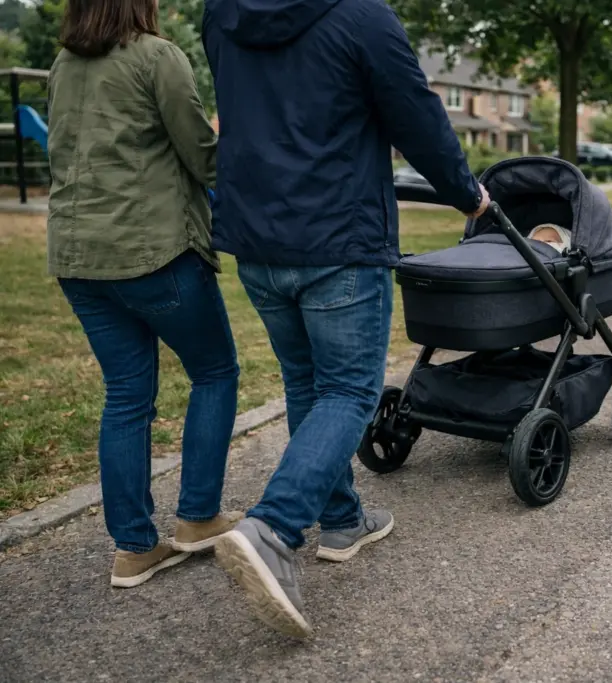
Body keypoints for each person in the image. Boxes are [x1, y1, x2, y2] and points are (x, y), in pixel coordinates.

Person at [203, 0, 489, 637]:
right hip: (338, 236)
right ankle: (274, 528)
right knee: (348, 391)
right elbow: (417, 117)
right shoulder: (364, 17)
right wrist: (467, 192)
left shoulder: (222, 13)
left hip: (257, 237)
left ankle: (341, 518)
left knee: (309, 384)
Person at [47, 0, 242, 587]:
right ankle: (198, 518)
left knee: (127, 395)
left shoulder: (62, 63)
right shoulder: (158, 57)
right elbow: (203, 160)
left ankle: (133, 547)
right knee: (215, 371)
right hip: (154, 252)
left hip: (79, 259)